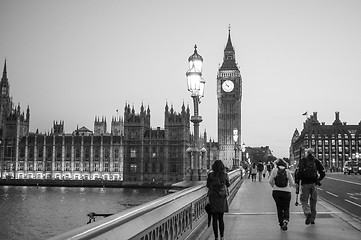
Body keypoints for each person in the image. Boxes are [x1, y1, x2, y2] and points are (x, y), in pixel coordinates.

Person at [295, 148, 326, 225]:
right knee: (313, 201)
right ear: (313, 153)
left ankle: (307, 212)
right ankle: (312, 219)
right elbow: (322, 172)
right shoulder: (316, 161)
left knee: (304, 200)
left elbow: (298, 172)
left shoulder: (303, 160)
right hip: (314, 184)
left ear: (306, 153)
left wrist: (297, 182)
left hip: (305, 184)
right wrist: (318, 180)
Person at [207, 160, 230, 240]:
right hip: (221, 198)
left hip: (213, 197)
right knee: (221, 218)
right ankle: (222, 237)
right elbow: (228, 184)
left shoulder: (210, 175)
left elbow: (207, 185)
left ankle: (216, 237)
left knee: (214, 218)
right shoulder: (225, 175)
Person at [269, 159, 295, 231]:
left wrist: (274, 186)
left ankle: (281, 222)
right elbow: (292, 183)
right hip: (286, 192)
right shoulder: (287, 171)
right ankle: (285, 220)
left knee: (279, 207)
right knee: (286, 207)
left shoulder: (274, 170)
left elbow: (270, 181)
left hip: (276, 192)